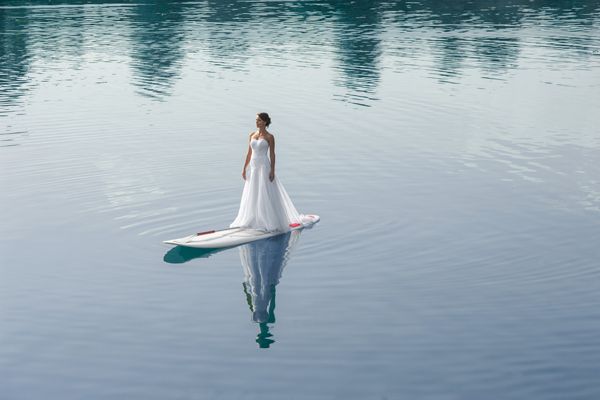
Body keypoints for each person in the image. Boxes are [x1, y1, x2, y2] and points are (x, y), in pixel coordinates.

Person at [230, 113, 303, 232]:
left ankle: (268, 220)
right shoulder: (252, 135)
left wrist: (273, 170)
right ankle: (252, 219)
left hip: (264, 166)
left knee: (264, 192)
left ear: (264, 122)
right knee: (253, 192)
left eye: (259, 120)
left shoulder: (270, 137)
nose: (256, 122)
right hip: (253, 167)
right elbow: (249, 153)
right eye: (256, 120)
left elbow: (272, 154)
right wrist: (244, 168)